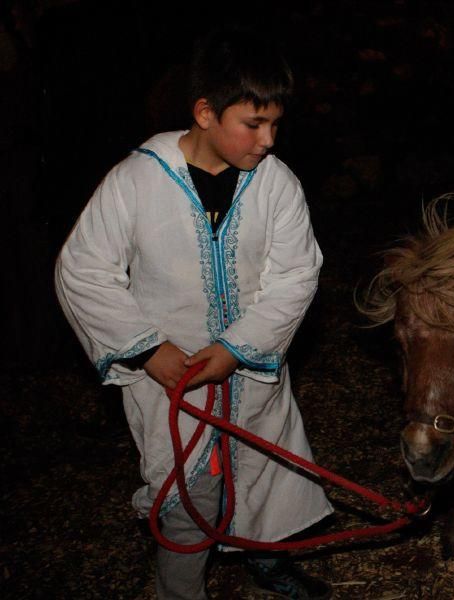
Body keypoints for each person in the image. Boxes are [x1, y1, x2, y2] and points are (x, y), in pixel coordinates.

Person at [55, 28, 332, 600]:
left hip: (251, 376)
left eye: (275, 125)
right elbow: (82, 270)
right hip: (172, 382)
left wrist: (237, 348)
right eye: (253, 125)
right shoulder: (135, 182)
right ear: (205, 112)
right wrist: (147, 350)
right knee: (189, 492)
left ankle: (267, 556)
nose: (268, 141)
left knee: (265, 470)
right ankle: (179, 589)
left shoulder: (276, 186)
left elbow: (296, 273)